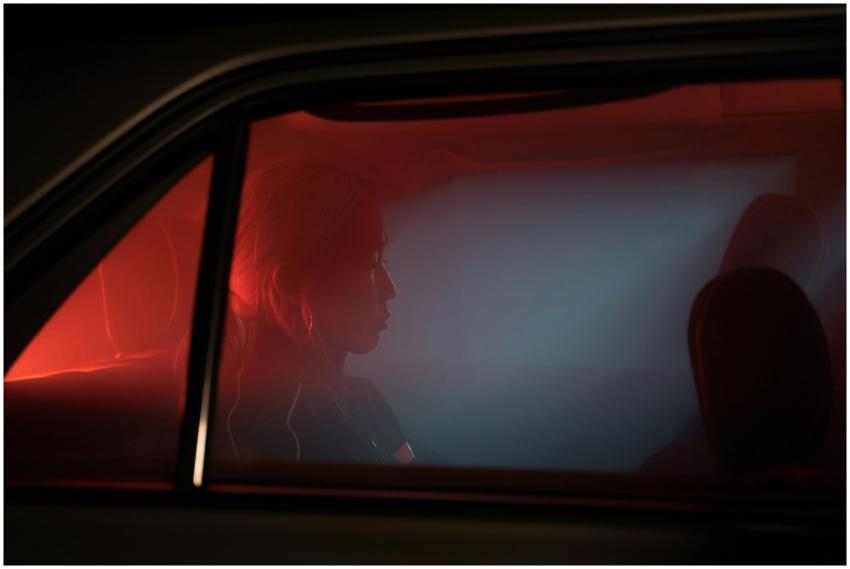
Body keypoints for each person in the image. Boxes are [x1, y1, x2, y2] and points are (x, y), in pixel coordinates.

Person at [213, 157, 425, 466]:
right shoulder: (274, 423)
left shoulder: (361, 398)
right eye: (369, 263)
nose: (390, 289)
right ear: (290, 285)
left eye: (384, 262)